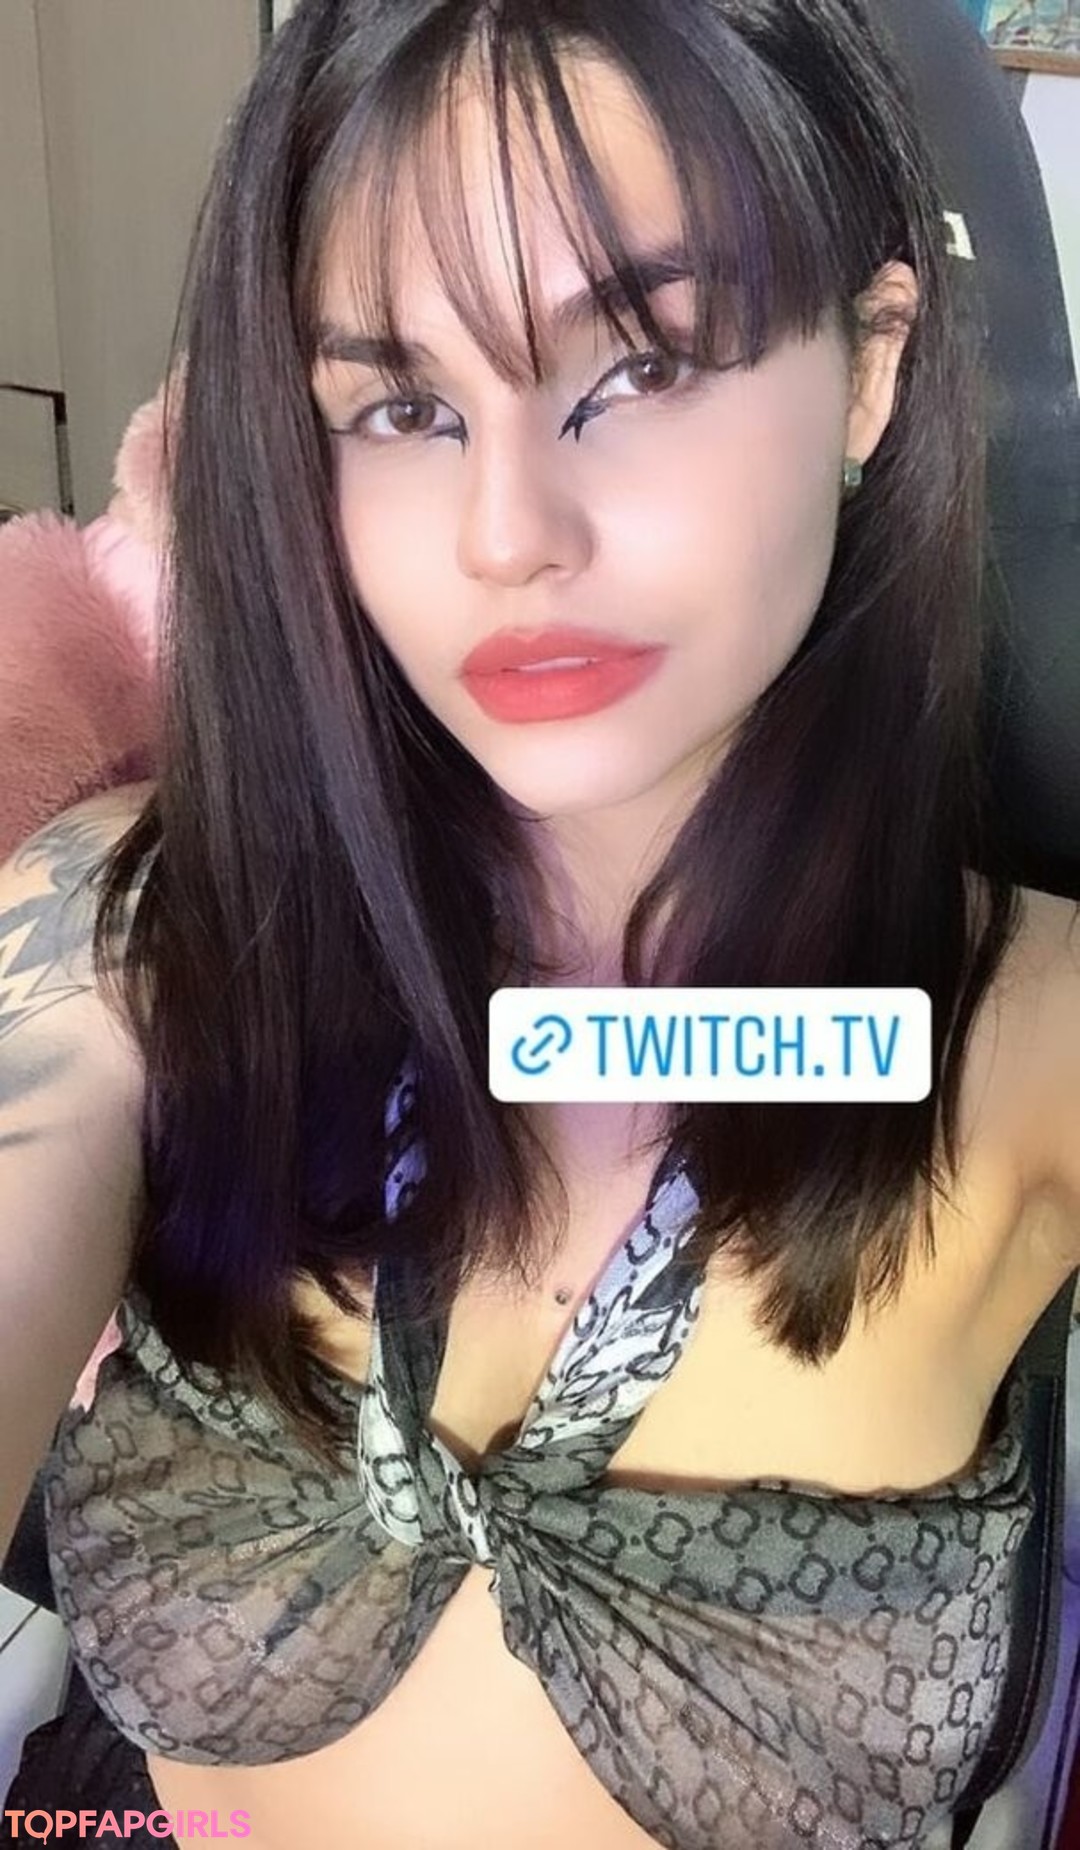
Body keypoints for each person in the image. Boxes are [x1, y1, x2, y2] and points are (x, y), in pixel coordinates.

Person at [2, 1, 1079, 1845]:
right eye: (405, 408)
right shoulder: (142, 934)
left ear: (872, 368)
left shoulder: (1028, 1030)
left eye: (640, 367)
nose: (508, 532)